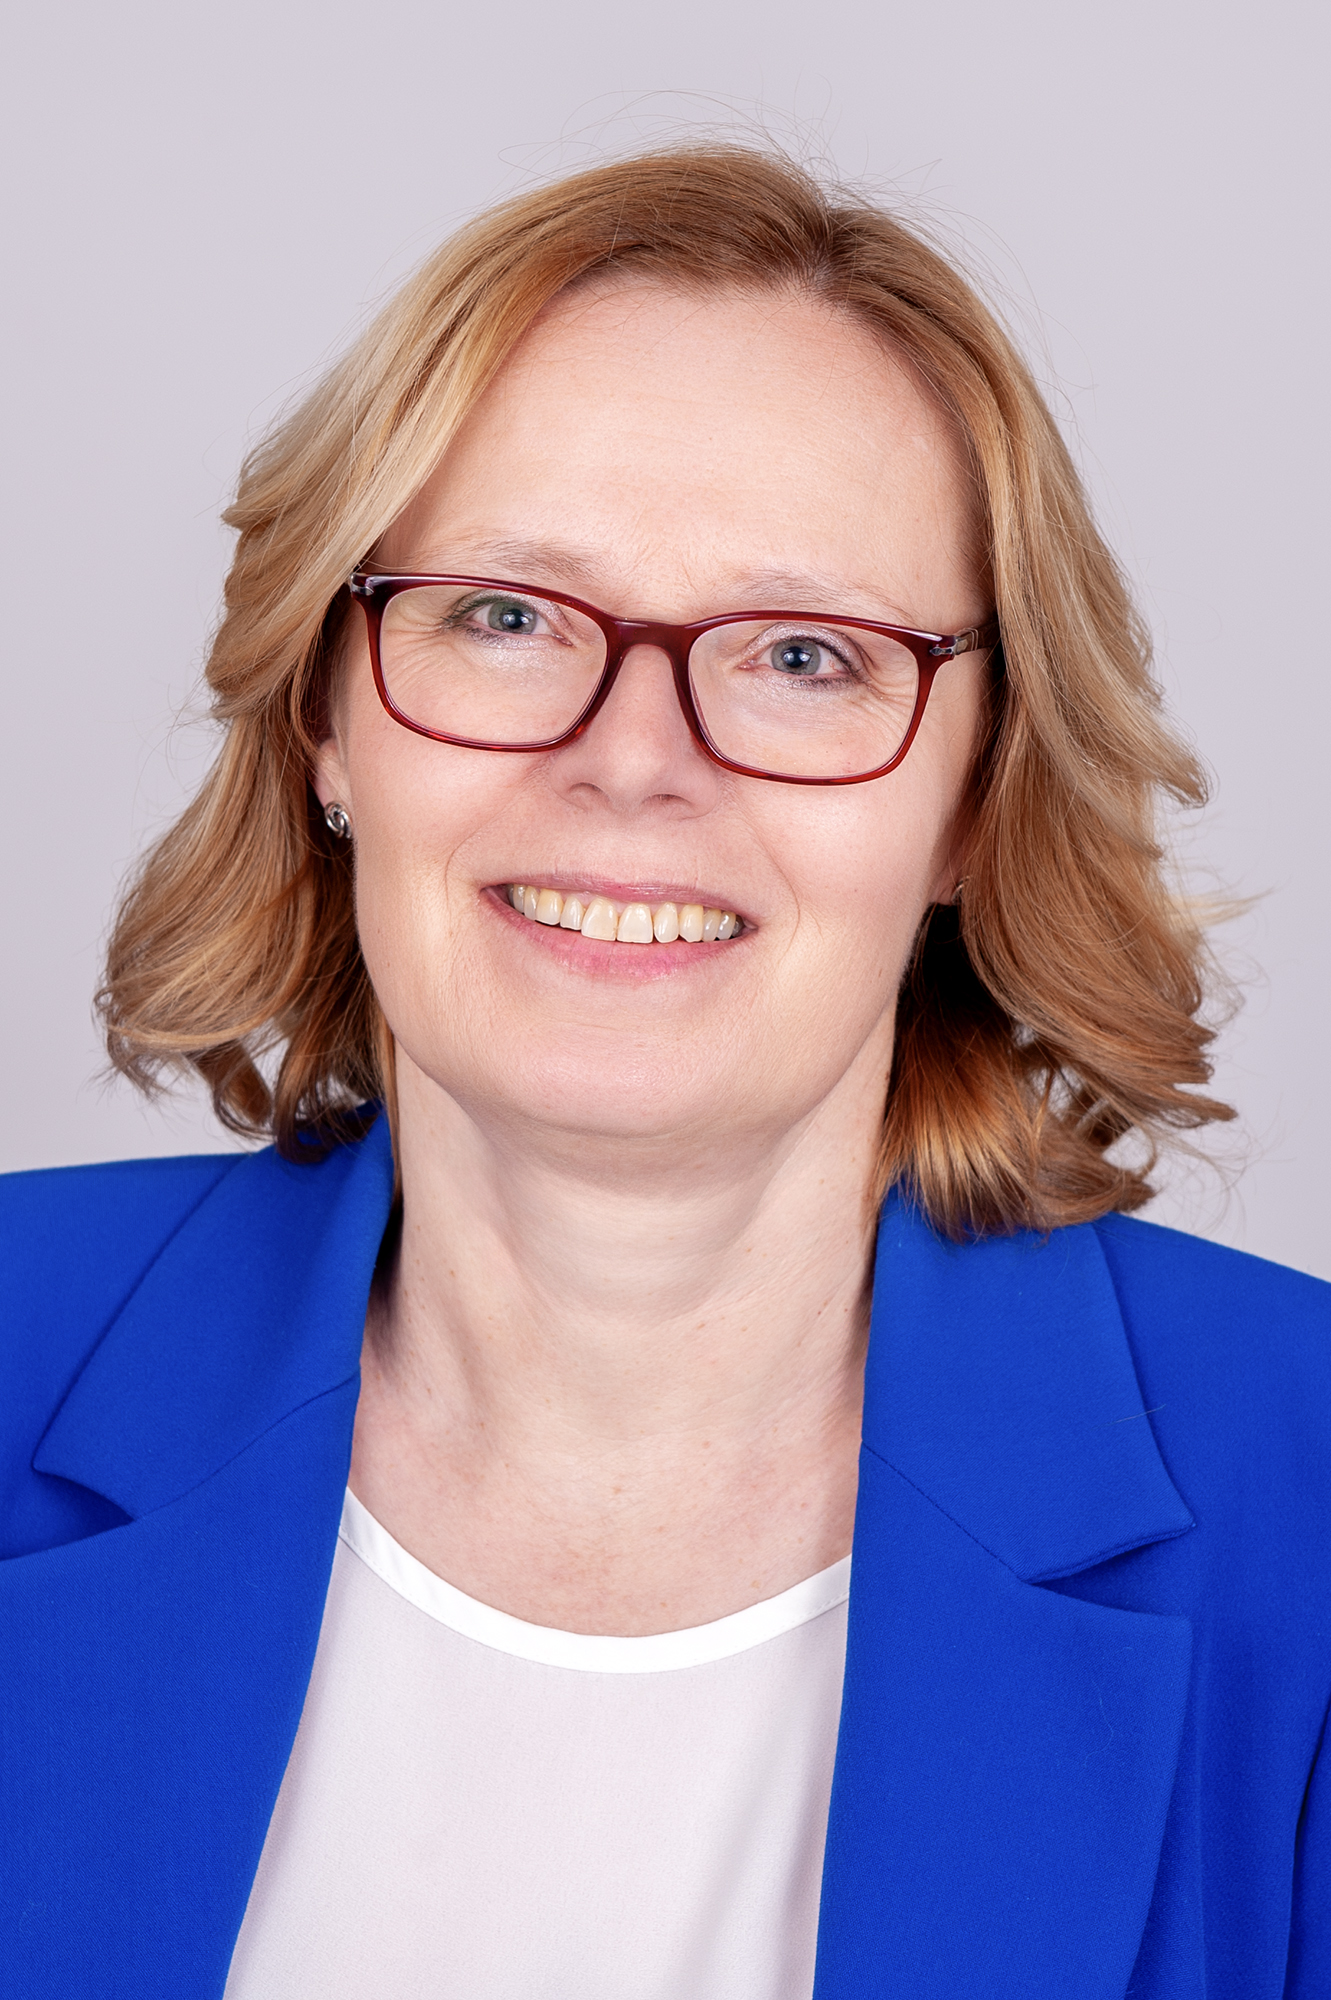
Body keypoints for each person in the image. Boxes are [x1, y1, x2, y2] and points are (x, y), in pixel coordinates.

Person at [2, 145, 1327, 2000]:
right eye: (506, 616)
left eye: (803, 653)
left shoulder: (1303, 1490)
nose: (633, 764)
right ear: (325, 718)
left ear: (977, 798)